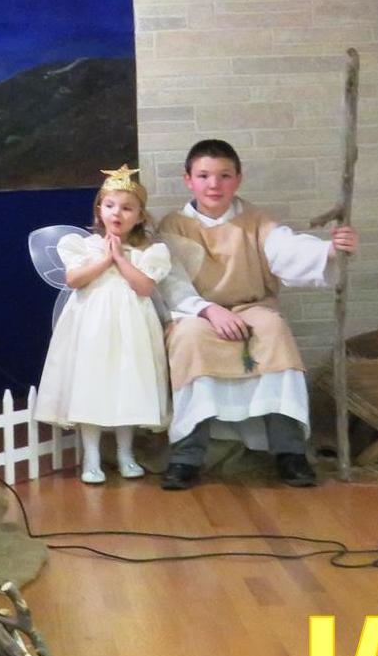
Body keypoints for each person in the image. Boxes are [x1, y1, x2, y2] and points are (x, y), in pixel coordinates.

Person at [153, 139, 357, 490]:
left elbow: (286, 248)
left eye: (224, 175)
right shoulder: (174, 226)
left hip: (252, 307)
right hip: (196, 313)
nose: (214, 184)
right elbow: (172, 282)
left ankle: (290, 453)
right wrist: (210, 311)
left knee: (273, 333)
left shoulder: (256, 220)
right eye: (203, 175)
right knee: (189, 341)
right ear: (188, 180)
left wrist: (330, 250)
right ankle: (186, 456)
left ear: (238, 179)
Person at [34, 165, 170, 484]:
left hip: (132, 327)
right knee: (90, 384)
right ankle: (92, 457)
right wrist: (105, 258)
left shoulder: (149, 251)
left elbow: (145, 287)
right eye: (110, 206)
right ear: (99, 210)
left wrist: (121, 258)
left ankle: (125, 453)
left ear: (140, 215)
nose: (117, 213)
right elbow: (74, 280)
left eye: (127, 208)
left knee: (128, 384)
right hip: (91, 326)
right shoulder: (82, 246)